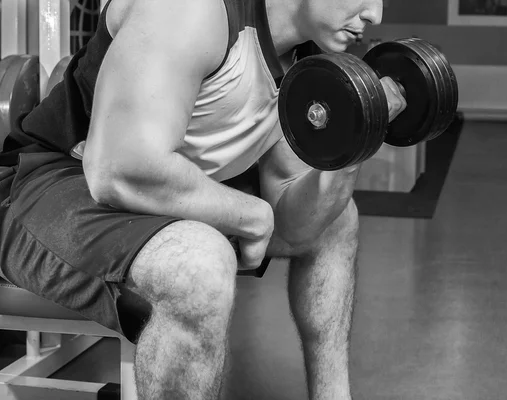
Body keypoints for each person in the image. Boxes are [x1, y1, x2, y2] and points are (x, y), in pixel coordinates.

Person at [0, 0, 405, 398]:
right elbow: (118, 170)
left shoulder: (309, 63)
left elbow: (298, 229)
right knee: (199, 265)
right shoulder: (190, 9)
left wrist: (355, 140)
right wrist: (251, 216)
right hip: (46, 185)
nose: (375, 14)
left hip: (166, 193)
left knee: (336, 218)